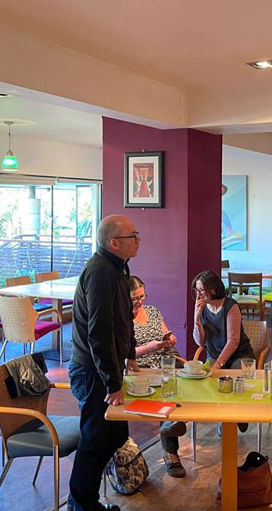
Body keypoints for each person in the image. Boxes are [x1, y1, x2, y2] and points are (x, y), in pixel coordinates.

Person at [68, 214, 140, 511]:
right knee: (96, 438)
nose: (138, 241)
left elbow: (123, 319)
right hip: (92, 372)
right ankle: (81, 503)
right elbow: (99, 332)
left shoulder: (119, 268)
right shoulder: (99, 272)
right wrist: (112, 382)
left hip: (107, 369)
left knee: (116, 435)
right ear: (114, 243)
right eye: (133, 236)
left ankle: (85, 499)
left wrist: (131, 353)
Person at [129, 275, 188, 478]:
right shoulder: (121, 318)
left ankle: (172, 422)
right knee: (167, 390)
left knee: (184, 381)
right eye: (135, 298)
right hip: (140, 365)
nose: (140, 301)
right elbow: (123, 354)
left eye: (142, 296)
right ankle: (171, 451)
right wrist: (149, 347)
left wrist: (169, 339)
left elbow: (166, 333)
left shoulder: (153, 311)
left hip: (165, 358)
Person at [191, 269, 255, 371]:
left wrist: (218, 364)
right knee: (208, 381)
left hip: (238, 356)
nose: (199, 294)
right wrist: (197, 320)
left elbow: (233, 341)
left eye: (201, 290)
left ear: (213, 289)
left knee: (237, 378)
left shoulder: (230, 306)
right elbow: (201, 343)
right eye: (196, 290)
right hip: (214, 355)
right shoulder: (202, 308)